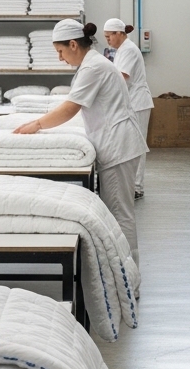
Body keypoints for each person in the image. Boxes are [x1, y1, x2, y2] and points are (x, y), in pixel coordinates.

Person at [14, 19, 147, 263]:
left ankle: (128, 270)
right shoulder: (92, 64)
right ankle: (124, 267)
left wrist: (37, 124)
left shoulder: (93, 67)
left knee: (120, 213)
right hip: (116, 142)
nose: (60, 58)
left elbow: (70, 108)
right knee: (118, 211)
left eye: (60, 51)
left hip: (118, 146)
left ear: (73, 45)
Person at [102, 18, 153, 199]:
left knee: (136, 146)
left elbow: (122, 77)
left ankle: (136, 187)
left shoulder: (129, 50)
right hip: (132, 102)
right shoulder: (122, 50)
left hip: (138, 103)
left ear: (119, 33)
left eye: (109, 36)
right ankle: (130, 185)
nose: (107, 40)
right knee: (130, 145)